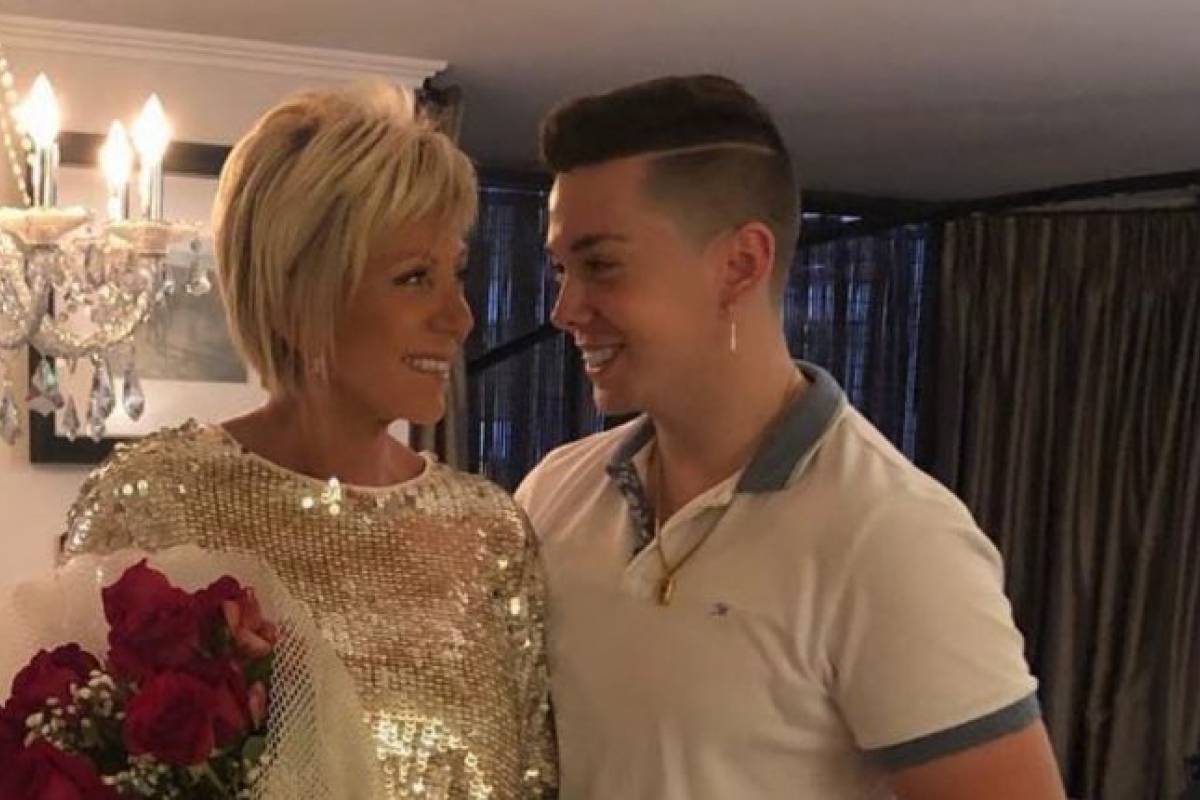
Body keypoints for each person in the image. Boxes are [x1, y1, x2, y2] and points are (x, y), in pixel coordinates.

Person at [516, 74, 1065, 800]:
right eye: (561, 268)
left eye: (601, 265)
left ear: (740, 264)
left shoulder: (893, 536)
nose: (564, 308)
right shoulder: (552, 493)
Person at [61, 82, 556, 799]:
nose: (459, 317)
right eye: (414, 278)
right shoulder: (152, 504)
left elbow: (534, 783)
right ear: (300, 298)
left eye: (456, 273)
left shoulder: (490, 533)